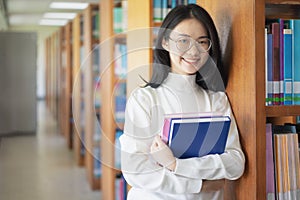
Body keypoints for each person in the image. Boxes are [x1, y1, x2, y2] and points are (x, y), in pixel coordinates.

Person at [119, 4, 245, 200]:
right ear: (166, 43)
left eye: (202, 42)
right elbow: (136, 170)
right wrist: (198, 185)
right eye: (183, 41)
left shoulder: (216, 100)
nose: (193, 51)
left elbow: (235, 163)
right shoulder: (144, 99)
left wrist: (174, 165)